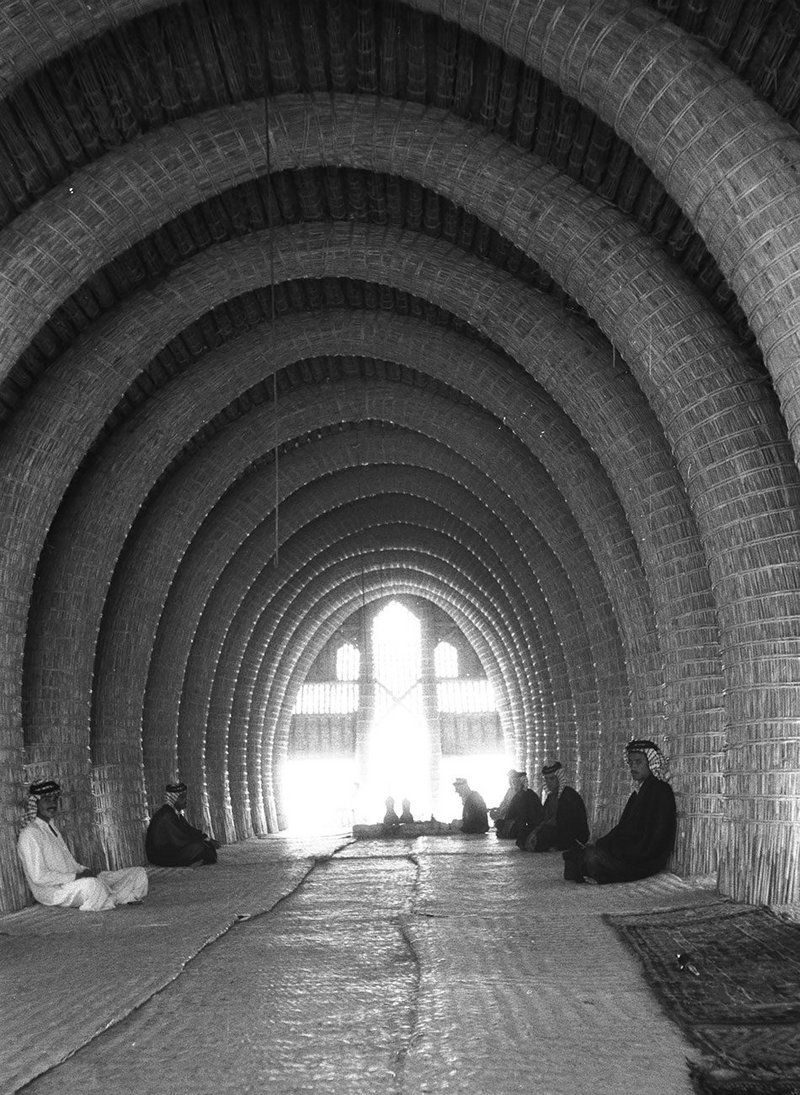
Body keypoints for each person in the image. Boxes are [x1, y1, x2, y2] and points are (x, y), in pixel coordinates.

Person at [17, 778, 148, 911]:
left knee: (138, 873)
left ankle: (111, 896)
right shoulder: (30, 834)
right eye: (46, 800)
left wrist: (83, 870)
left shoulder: (51, 827)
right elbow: (39, 877)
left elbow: (68, 863)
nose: (53, 804)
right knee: (93, 886)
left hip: (75, 881)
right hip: (54, 891)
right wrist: (76, 877)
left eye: (55, 799)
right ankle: (114, 896)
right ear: (35, 803)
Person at [563, 739, 676, 883]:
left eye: (638, 762)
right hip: (628, 850)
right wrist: (603, 843)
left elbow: (654, 838)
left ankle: (597, 871)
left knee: (592, 857)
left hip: (643, 858)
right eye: (631, 763)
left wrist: (616, 849)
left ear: (651, 763)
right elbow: (623, 828)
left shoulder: (661, 791)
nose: (633, 767)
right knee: (580, 854)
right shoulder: (638, 793)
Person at [145, 781, 220, 866]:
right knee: (199, 847)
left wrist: (206, 838)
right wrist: (201, 840)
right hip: (161, 855)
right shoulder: (166, 815)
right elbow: (178, 839)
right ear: (174, 799)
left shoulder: (175, 814)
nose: (185, 800)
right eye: (182, 797)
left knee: (205, 845)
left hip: (173, 849)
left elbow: (188, 830)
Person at [523, 760, 589, 852]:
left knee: (543, 836)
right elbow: (544, 818)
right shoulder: (551, 796)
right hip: (553, 829)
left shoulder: (568, 795)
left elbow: (564, 823)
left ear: (559, 778)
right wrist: (535, 831)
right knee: (524, 833)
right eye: (546, 779)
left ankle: (556, 846)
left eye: (552, 779)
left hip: (571, 834)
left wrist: (539, 831)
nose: (549, 782)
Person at [490, 769, 523, 838]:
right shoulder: (509, 790)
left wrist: (504, 811)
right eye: (510, 780)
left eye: (513, 780)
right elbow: (504, 803)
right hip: (505, 814)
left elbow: (514, 807)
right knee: (496, 817)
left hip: (514, 817)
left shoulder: (522, 792)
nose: (511, 782)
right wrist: (498, 810)